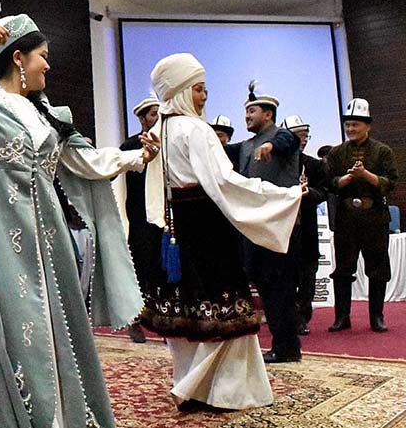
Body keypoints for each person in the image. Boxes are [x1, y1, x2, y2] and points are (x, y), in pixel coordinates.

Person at [0, 15, 147, 428]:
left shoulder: (48, 116)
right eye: (43, 57)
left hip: (48, 234)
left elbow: (85, 162)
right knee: (11, 324)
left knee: (55, 324)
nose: (49, 66)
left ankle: (60, 417)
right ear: (19, 58)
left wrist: (135, 158)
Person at [142, 53, 302, 411]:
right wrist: (283, 196)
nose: (204, 97)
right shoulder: (195, 130)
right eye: (198, 89)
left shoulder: (158, 131)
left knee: (190, 312)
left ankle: (192, 387)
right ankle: (222, 392)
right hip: (208, 228)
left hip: (175, 227)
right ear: (182, 91)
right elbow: (224, 182)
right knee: (224, 310)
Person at [226, 87, 302, 364]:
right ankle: (282, 346)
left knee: (280, 286)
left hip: (279, 226)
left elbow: (285, 140)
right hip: (254, 228)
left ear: (268, 115)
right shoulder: (246, 145)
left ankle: (287, 347)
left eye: (252, 111)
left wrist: (271, 146)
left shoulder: (284, 137)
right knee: (266, 285)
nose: (247, 116)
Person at [325, 98, 397, 333]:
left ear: (368, 126)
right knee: (343, 269)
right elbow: (328, 182)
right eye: (348, 125)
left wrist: (365, 174)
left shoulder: (382, 151)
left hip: (374, 216)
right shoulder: (336, 153)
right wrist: (343, 180)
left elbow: (390, 182)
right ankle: (342, 317)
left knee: (378, 268)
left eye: (355, 125)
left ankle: (377, 316)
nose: (351, 129)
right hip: (346, 218)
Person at [280, 115, 327, 336]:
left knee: (308, 273)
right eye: (298, 135)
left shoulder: (312, 165)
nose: (304, 140)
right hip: (283, 229)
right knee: (286, 275)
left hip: (306, 227)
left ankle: (302, 317)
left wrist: (309, 193)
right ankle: (286, 316)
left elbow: (325, 192)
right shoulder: (275, 165)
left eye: (305, 135)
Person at [121, 96, 162, 344]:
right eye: (153, 114)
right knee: (139, 268)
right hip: (139, 216)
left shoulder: (166, 143)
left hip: (162, 216)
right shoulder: (129, 146)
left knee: (162, 269)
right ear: (142, 118)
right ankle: (134, 320)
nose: (157, 118)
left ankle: (163, 319)